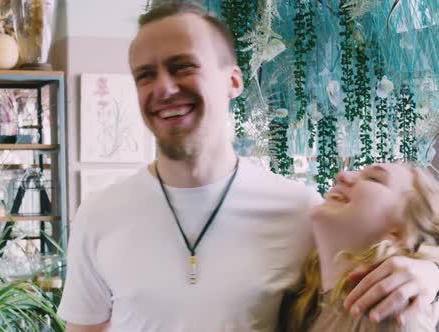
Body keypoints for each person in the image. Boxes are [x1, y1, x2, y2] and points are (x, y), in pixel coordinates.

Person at [57, 2, 439, 331]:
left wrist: (430, 273)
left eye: (183, 66)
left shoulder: (302, 209)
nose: (164, 88)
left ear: (234, 81)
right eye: (145, 75)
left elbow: (386, 248)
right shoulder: (97, 215)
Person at [284, 163, 439, 331]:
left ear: (399, 232)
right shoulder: (303, 303)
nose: (343, 175)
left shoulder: (395, 311)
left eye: (373, 178)